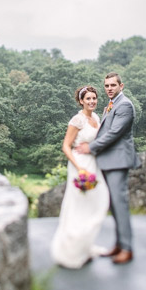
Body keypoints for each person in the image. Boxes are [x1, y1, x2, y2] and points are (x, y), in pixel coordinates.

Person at [76, 72, 141, 264]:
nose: (109, 88)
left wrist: (90, 147)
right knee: (113, 205)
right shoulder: (111, 106)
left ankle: (127, 249)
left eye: (113, 85)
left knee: (120, 205)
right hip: (108, 161)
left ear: (122, 86)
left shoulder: (125, 105)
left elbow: (114, 133)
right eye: (106, 86)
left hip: (118, 161)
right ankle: (119, 244)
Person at [50, 86, 110, 268]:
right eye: (88, 99)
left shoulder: (96, 118)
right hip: (80, 166)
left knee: (97, 203)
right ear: (81, 101)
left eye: (94, 98)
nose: (92, 101)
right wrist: (79, 168)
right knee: (79, 206)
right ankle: (71, 251)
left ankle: (85, 245)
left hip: (94, 165)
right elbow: (66, 146)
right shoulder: (77, 120)